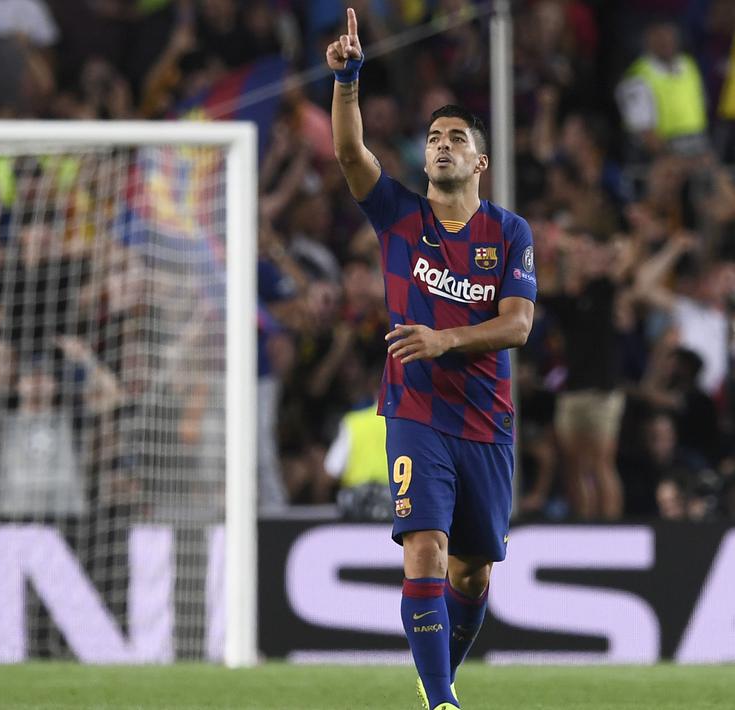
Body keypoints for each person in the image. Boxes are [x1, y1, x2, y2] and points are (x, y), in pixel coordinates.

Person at [326, 9, 535, 710]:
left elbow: (518, 325)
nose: (442, 145)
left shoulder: (507, 232)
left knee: (471, 575)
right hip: (415, 410)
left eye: (457, 138)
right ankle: (441, 701)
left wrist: (445, 339)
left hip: (485, 421)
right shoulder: (399, 216)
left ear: (480, 163)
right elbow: (350, 154)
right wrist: (348, 82)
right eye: (434, 138)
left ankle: (438, 672)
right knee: (425, 549)